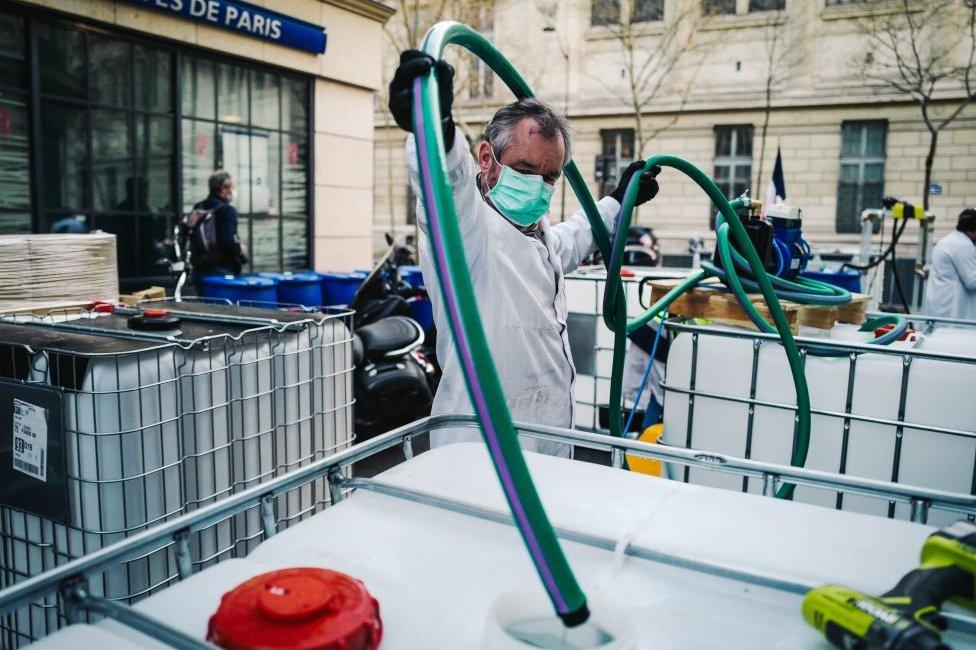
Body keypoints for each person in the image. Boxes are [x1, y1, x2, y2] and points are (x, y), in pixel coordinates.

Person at [389, 51, 661, 456]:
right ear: (487, 159)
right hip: (482, 450)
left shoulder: (539, 235)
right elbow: (446, 184)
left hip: (550, 437)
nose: (539, 186)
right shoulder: (467, 231)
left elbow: (576, 237)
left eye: (550, 176)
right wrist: (433, 129)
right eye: (526, 171)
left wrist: (620, 200)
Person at [189, 170, 247, 295]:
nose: (233, 192)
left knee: (205, 309)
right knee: (224, 310)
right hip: (221, 271)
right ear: (224, 189)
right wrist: (239, 249)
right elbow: (227, 242)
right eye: (232, 188)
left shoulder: (198, 207)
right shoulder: (227, 211)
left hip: (198, 270)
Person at [923, 208, 976, 320]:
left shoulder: (950, 240)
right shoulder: (962, 245)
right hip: (952, 311)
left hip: (942, 307)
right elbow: (972, 281)